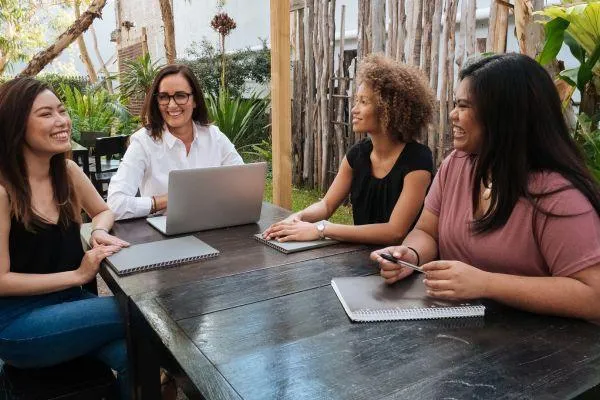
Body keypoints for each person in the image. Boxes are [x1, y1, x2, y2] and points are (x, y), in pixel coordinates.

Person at [371, 53, 600, 321]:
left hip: (533, 353)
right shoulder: (456, 165)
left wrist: (486, 284)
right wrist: (410, 255)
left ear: (504, 115)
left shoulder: (558, 194)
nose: (453, 115)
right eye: (456, 104)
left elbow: (593, 295)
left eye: (464, 106)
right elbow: (426, 231)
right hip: (456, 337)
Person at [0, 78, 131, 398]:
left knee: (135, 354)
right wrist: (78, 275)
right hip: (19, 324)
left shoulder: (66, 172)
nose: (61, 121)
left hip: (72, 308)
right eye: (46, 114)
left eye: (61, 110)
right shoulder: (3, 192)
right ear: (16, 126)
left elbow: (103, 211)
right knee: (141, 311)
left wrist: (98, 230)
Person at [263, 54, 434, 245]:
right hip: (359, 257)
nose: (354, 109)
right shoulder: (358, 154)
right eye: (356, 100)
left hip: (402, 263)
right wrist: (297, 218)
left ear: (389, 110)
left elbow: (395, 232)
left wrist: (321, 229)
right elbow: (326, 205)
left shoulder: (417, 160)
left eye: (364, 102)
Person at [107, 64, 243, 220]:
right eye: (164, 97)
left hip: (213, 225)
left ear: (195, 100)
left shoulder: (214, 136)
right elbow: (115, 204)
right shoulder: (143, 142)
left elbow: (243, 185)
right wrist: (168, 199)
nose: (171, 105)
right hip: (165, 235)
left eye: (180, 95)